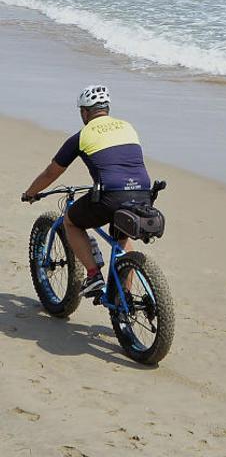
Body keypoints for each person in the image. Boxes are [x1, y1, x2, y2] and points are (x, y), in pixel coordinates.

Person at [22, 85, 152, 298]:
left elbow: (50, 173)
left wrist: (30, 192)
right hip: (143, 194)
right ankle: (123, 300)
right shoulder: (128, 128)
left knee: (71, 221)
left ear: (84, 111)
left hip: (111, 196)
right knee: (121, 238)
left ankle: (93, 275)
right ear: (106, 109)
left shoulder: (82, 136)